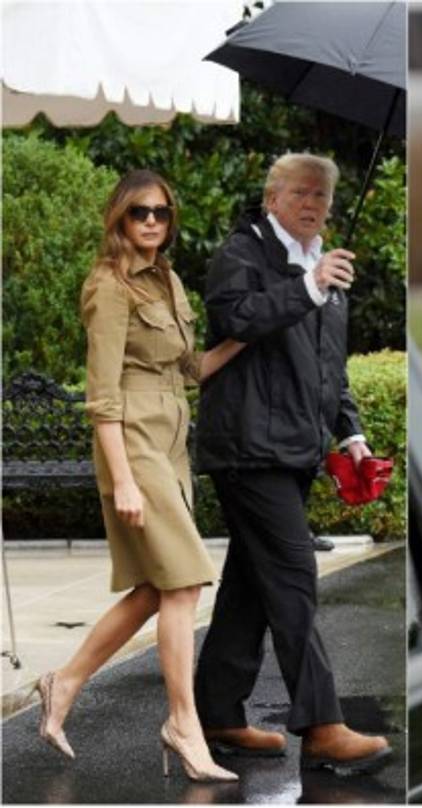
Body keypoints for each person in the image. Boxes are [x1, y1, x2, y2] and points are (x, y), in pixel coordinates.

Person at [38, 170, 246, 782]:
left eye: (161, 212)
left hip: (170, 439)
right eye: (140, 213)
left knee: (160, 588)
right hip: (132, 441)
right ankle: (184, 724)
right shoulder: (108, 286)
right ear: (120, 219)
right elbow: (101, 396)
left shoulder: (170, 281)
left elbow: (191, 366)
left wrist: (255, 331)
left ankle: (65, 681)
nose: (152, 221)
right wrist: (124, 479)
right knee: (184, 583)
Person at [191, 153, 390, 773]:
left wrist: (351, 434)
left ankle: (217, 713)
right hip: (249, 448)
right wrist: (308, 286)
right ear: (272, 198)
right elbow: (234, 317)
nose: (312, 204)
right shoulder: (242, 254)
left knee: (251, 587)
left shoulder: (327, 265)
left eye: (322, 196)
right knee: (295, 573)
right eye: (301, 193)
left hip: (294, 449)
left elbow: (330, 369)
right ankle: (323, 724)